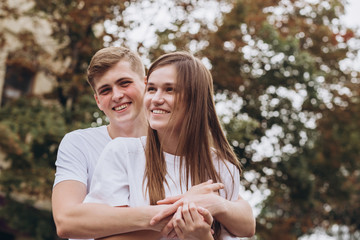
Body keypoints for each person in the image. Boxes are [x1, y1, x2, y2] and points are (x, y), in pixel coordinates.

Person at [52, 47, 255, 240]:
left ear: (144, 83)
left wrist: (206, 221)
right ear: (97, 100)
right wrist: (181, 210)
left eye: (124, 83)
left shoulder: (220, 166)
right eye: (105, 90)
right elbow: (66, 220)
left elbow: (242, 218)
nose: (117, 95)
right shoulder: (89, 145)